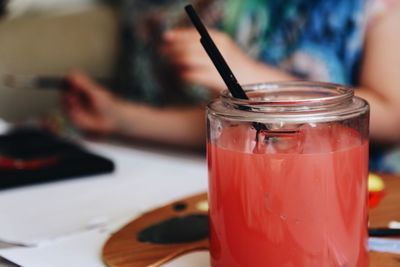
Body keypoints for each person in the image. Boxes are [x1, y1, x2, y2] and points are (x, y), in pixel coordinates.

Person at [63, 0, 400, 154]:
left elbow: (392, 117)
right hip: (261, 183)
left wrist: (249, 75)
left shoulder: (375, 9)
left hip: (365, 191)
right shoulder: (243, 10)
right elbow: (234, 127)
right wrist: (121, 118)